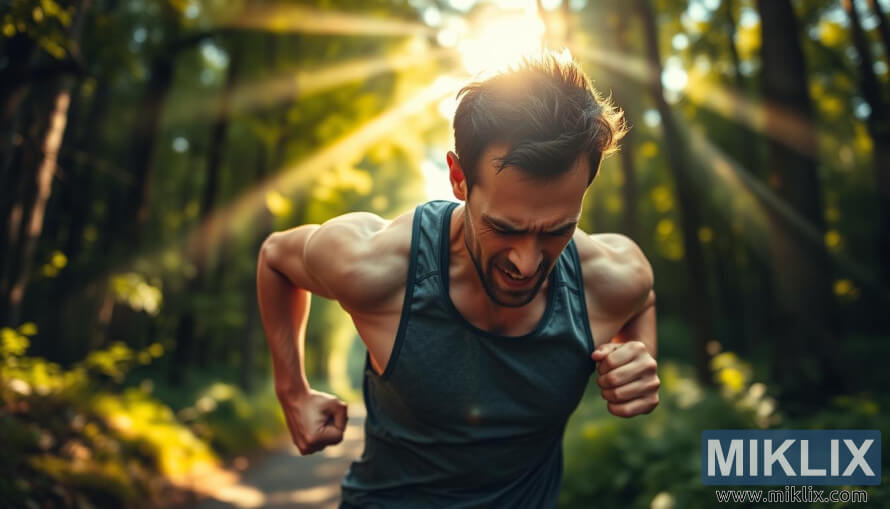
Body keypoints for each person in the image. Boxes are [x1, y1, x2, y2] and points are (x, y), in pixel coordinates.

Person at [256, 51, 659, 508]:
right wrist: (292, 391)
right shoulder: (375, 265)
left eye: (557, 231)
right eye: (505, 228)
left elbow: (642, 296)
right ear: (459, 178)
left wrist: (640, 353)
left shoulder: (608, 278)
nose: (527, 263)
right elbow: (275, 257)